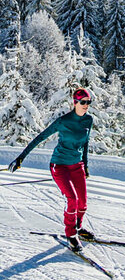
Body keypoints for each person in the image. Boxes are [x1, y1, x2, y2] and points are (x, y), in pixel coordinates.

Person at [9, 88, 94, 251]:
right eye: (83, 102)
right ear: (75, 102)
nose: (86, 105)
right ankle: (71, 235)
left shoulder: (88, 121)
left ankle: (77, 227)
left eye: (88, 102)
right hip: (59, 165)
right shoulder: (64, 121)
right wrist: (21, 157)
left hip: (77, 166)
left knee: (82, 204)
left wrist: (86, 165)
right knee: (72, 200)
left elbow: (86, 144)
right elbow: (40, 137)